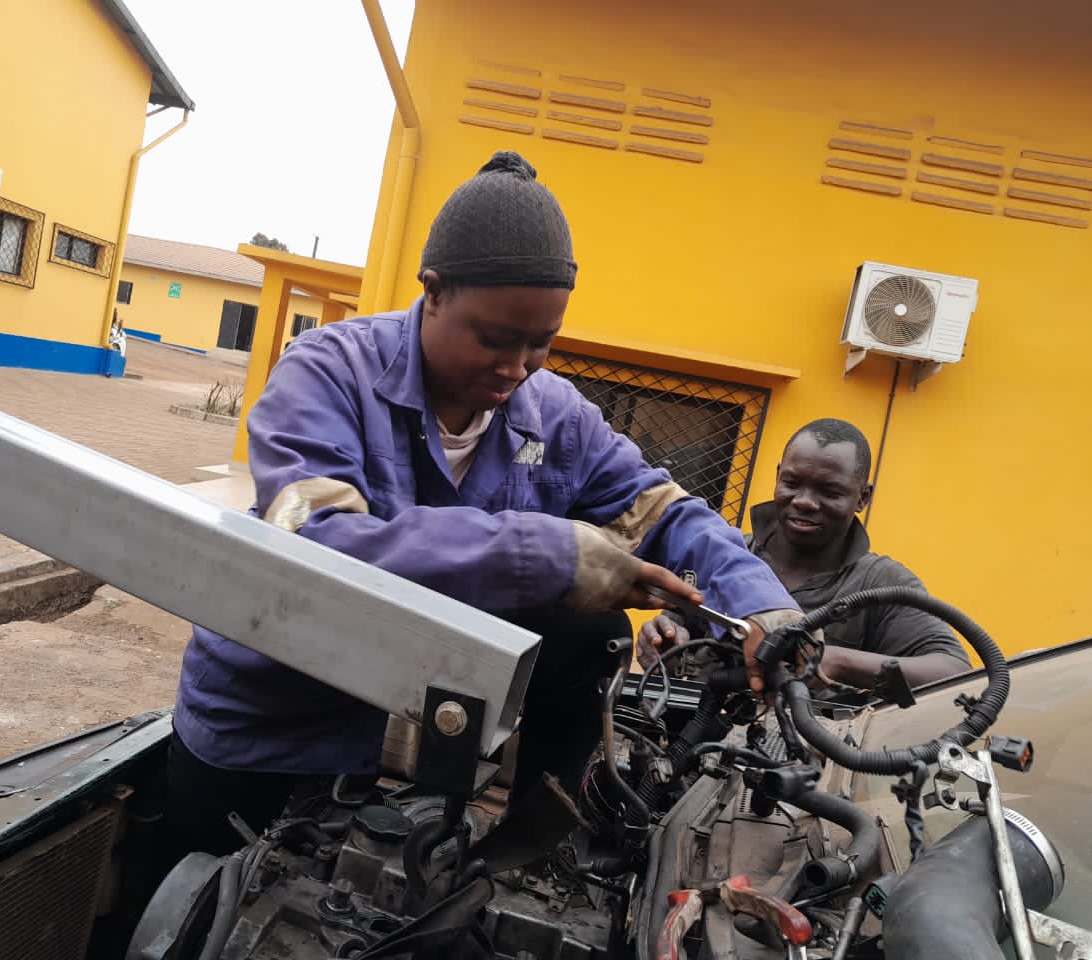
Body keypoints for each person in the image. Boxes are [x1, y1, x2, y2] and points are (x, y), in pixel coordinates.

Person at [164, 151, 802, 861]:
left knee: (591, 637)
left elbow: (666, 513)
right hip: (276, 722)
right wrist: (544, 554)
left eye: (542, 343)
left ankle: (527, 858)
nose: (519, 366)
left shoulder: (555, 416)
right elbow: (319, 546)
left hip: (408, 728)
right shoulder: (327, 372)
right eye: (497, 338)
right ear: (432, 293)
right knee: (208, 903)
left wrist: (762, 604)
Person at [639, 418, 970, 691]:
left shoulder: (881, 583)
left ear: (862, 498)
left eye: (829, 492)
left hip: (812, 760)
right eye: (792, 482)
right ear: (778, 475)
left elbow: (953, 670)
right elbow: (677, 626)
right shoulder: (727, 556)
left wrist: (835, 661)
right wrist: (666, 638)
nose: (804, 501)